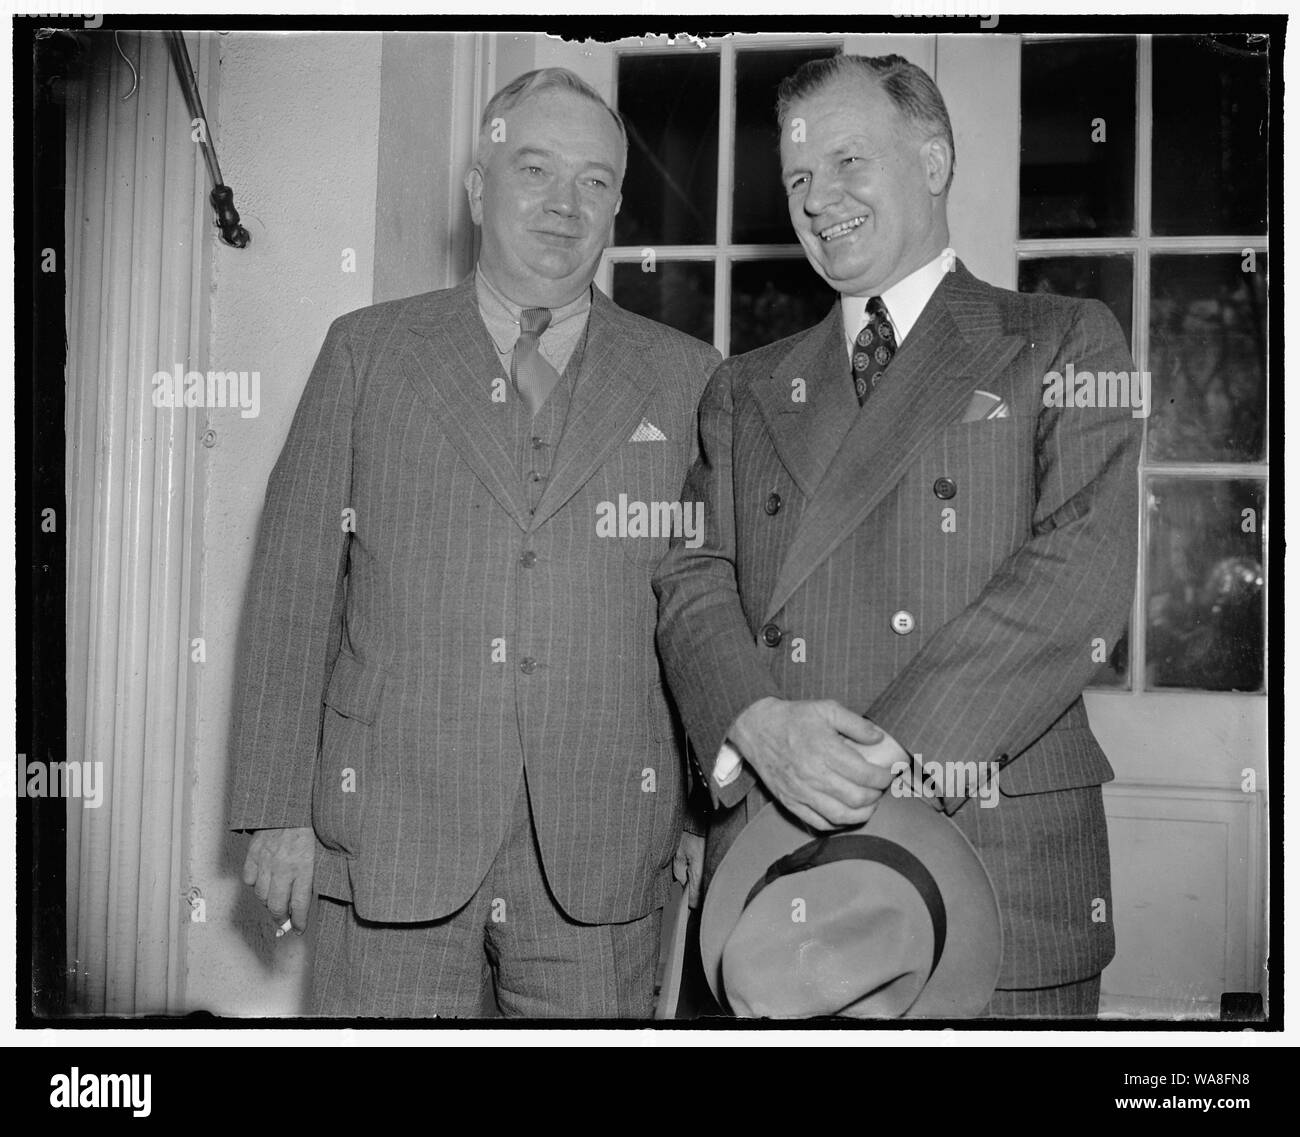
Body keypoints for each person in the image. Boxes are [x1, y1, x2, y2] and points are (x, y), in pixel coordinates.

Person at [653, 54, 1141, 1018]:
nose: (816, 198)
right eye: (796, 177)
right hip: (777, 869)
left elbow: (1078, 576)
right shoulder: (743, 386)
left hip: (995, 865)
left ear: (933, 157)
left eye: (845, 160)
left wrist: (872, 758)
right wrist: (755, 723)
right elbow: (693, 574)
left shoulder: (1063, 340)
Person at [230, 68, 718, 1018]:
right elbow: (295, 589)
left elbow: (701, 613)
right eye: (534, 168)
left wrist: (702, 810)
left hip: (605, 851)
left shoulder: (689, 378)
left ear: (618, 203)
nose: (564, 204)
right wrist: (277, 812)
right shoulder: (367, 353)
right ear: (478, 186)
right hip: (389, 832)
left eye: (594, 181)